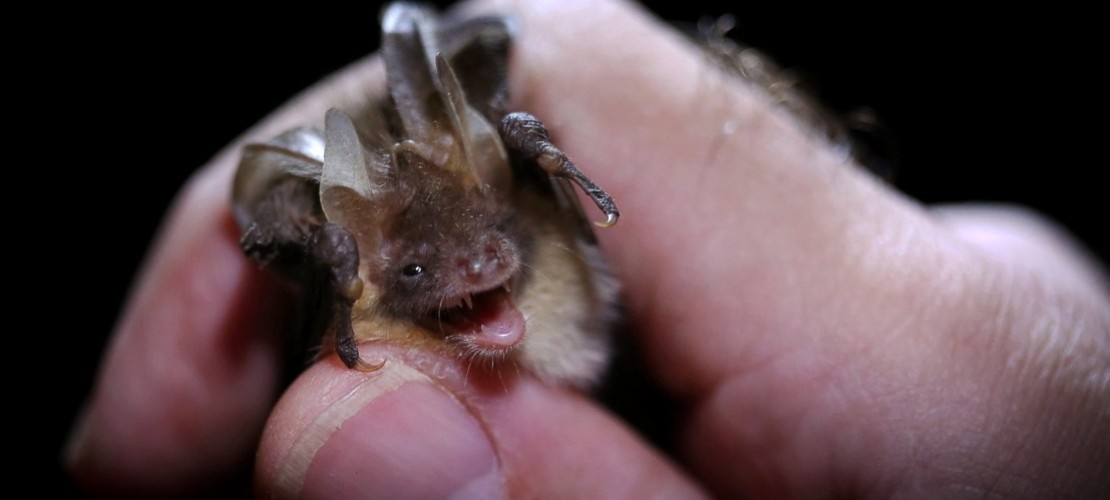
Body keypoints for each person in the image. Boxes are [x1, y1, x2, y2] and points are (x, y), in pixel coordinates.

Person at [64, 0, 1108, 497]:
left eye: (497, 240)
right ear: (364, 266)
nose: (481, 272)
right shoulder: (356, 279)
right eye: (423, 269)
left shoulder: (554, 253)